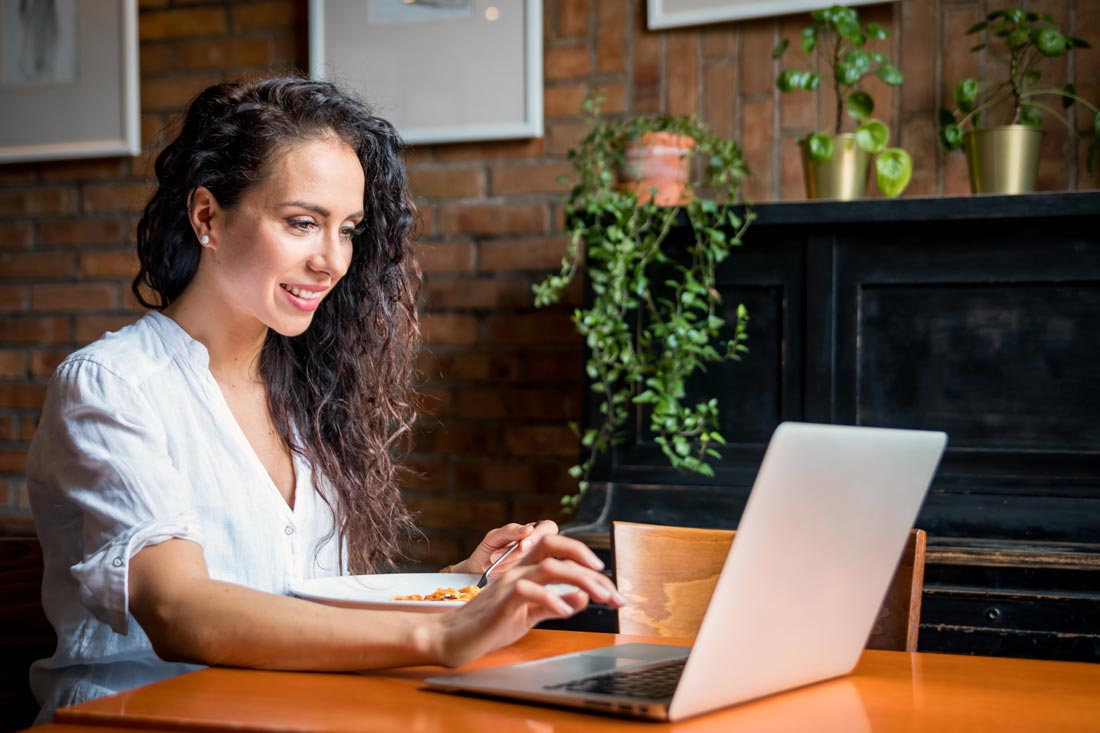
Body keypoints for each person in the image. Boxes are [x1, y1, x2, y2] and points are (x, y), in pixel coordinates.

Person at [26, 76, 622, 723]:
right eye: (302, 222)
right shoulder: (114, 385)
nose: (332, 260)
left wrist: (464, 583)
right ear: (207, 217)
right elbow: (179, 609)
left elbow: (300, 605)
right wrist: (437, 635)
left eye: (349, 229)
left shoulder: (306, 396)